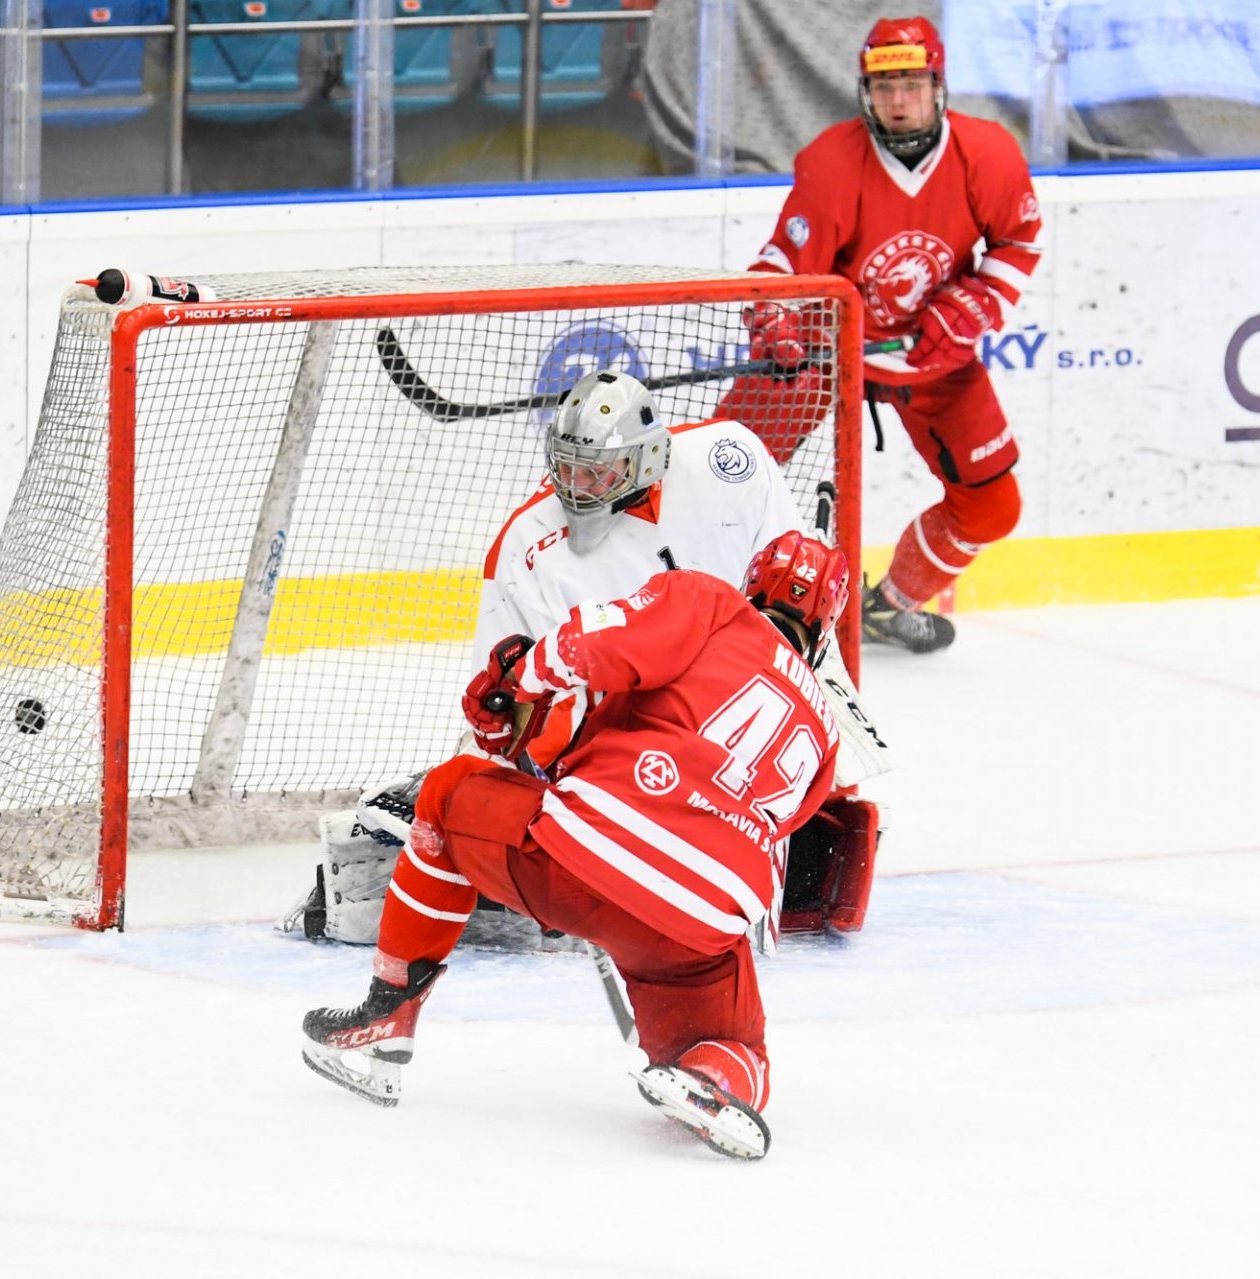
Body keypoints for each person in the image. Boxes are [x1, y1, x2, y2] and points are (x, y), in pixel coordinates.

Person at [301, 532, 852, 1161]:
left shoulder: (712, 604)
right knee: (740, 1044)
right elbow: (770, 827)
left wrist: (520, 680)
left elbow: (593, 644)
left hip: (581, 863)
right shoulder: (825, 729)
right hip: (696, 926)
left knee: (448, 792)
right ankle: (711, 1077)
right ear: (823, 629)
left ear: (751, 586)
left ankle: (387, 1013)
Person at [289, 368, 882, 950]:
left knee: (835, 826)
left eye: (597, 471)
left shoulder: (730, 460)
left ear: (647, 459)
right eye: (567, 467)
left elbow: (793, 596)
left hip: (749, 697)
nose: (577, 486)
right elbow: (514, 698)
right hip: (644, 733)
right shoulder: (527, 545)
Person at [733, 15, 1044, 654]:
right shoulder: (833, 162)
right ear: (865, 92)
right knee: (721, 471)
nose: (898, 101)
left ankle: (889, 607)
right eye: (883, 87)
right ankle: (691, 601)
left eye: (911, 85)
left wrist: (975, 303)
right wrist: (774, 320)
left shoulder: (987, 155)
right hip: (823, 350)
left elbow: (1018, 240)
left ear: (938, 87)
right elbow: (781, 265)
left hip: (934, 353)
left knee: (993, 506)